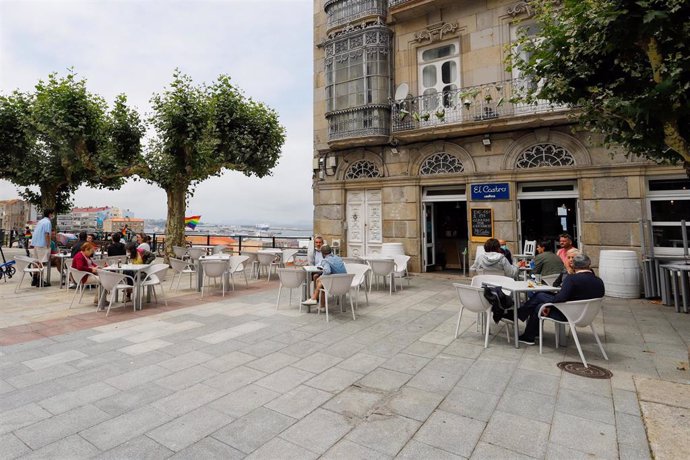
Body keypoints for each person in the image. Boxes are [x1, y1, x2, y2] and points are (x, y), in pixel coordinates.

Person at [517, 253, 604, 345]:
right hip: (587, 315)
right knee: (540, 300)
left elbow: (561, 298)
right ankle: (530, 332)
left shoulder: (572, 279)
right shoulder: (599, 281)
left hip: (568, 314)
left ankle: (521, 320)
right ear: (588, 264)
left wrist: (549, 306)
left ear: (573, 265)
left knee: (539, 299)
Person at [302, 244, 346, 309]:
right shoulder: (338, 258)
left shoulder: (325, 260)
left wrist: (321, 276)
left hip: (335, 286)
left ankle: (316, 300)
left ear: (322, 253)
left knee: (321, 281)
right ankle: (315, 299)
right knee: (319, 279)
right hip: (345, 283)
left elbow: (327, 271)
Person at [30, 208, 54, 286]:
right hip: (42, 244)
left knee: (36, 261)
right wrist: (48, 244)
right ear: (50, 214)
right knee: (41, 262)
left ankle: (34, 278)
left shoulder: (40, 221)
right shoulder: (48, 222)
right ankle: (39, 280)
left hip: (36, 243)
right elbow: (47, 234)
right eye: (52, 214)